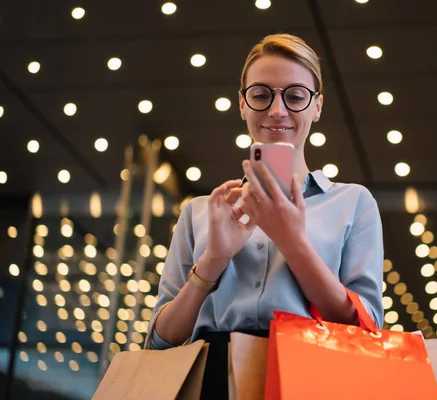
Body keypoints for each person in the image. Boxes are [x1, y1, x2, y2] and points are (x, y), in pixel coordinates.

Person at [148, 33, 384, 351]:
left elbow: (367, 327)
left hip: (309, 371)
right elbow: (161, 340)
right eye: (261, 95)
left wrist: (292, 242)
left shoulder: (353, 202)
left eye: (296, 97)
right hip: (213, 378)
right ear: (242, 104)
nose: (276, 111)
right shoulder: (201, 211)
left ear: (317, 106)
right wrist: (213, 260)